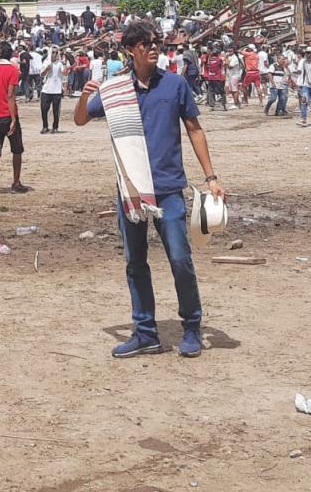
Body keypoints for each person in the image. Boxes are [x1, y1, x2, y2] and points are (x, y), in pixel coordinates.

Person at [74, 20, 225, 359]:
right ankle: (145, 333)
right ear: (130, 50)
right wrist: (85, 98)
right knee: (135, 262)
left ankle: (191, 327)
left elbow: (195, 130)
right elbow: (81, 120)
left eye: (157, 42)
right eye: (145, 43)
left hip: (169, 188)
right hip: (131, 190)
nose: (154, 47)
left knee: (180, 259)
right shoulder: (115, 90)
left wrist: (211, 177)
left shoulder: (175, 85)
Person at [0, 41, 29, 193]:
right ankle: (16, 182)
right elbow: (10, 95)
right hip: (7, 114)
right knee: (17, 149)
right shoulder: (13, 71)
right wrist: (14, 118)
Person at [39, 47, 65, 134]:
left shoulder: (60, 64)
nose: (55, 54)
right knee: (44, 109)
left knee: (56, 110)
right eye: (53, 52)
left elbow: (64, 73)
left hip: (56, 90)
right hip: (46, 89)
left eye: (56, 53)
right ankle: (45, 126)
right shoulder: (46, 62)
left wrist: (67, 67)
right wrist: (47, 69)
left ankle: (55, 127)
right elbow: (42, 74)